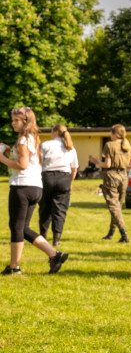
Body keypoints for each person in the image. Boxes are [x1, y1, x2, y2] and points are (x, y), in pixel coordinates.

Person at [0, 107, 68, 275]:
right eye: (12, 120)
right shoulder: (32, 139)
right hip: (35, 186)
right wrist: (10, 152)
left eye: (16, 120)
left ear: (25, 121)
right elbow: (25, 161)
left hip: (22, 187)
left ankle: (14, 267)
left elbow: (22, 165)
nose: (13, 123)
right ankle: (55, 255)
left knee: (17, 227)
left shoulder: (23, 140)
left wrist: (1, 158)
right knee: (22, 227)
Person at [91, 124, 131, 243]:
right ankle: (111, 233)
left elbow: (107, 164)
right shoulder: (127, 145)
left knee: (114, 207)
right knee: (117, 207)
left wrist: (97, 162)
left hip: (111, 176)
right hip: (124, 176)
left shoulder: (109, 145)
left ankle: (124, 234)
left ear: (114, 134)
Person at [38, 123, 79, 245]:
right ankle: (57, 239)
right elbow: (74, 168)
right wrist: (70, 182)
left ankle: (43, 236)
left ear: (55, 132)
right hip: (64, 178)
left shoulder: (45, 145)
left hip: (47, 177)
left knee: (45, 207)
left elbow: (38, 163)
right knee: (60, 210)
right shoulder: (70, 147)